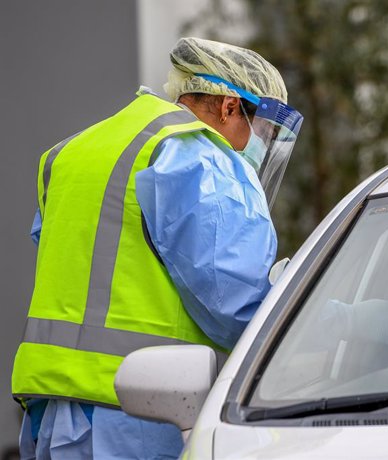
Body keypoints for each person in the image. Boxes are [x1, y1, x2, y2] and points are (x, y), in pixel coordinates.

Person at [11, 37, 303, 459]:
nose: (254, 146)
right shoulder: (197, 155)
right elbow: (238, 307)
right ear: (228, 107)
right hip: (138, 417)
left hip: (53, 414)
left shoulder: (74, 150)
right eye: (262, 131)